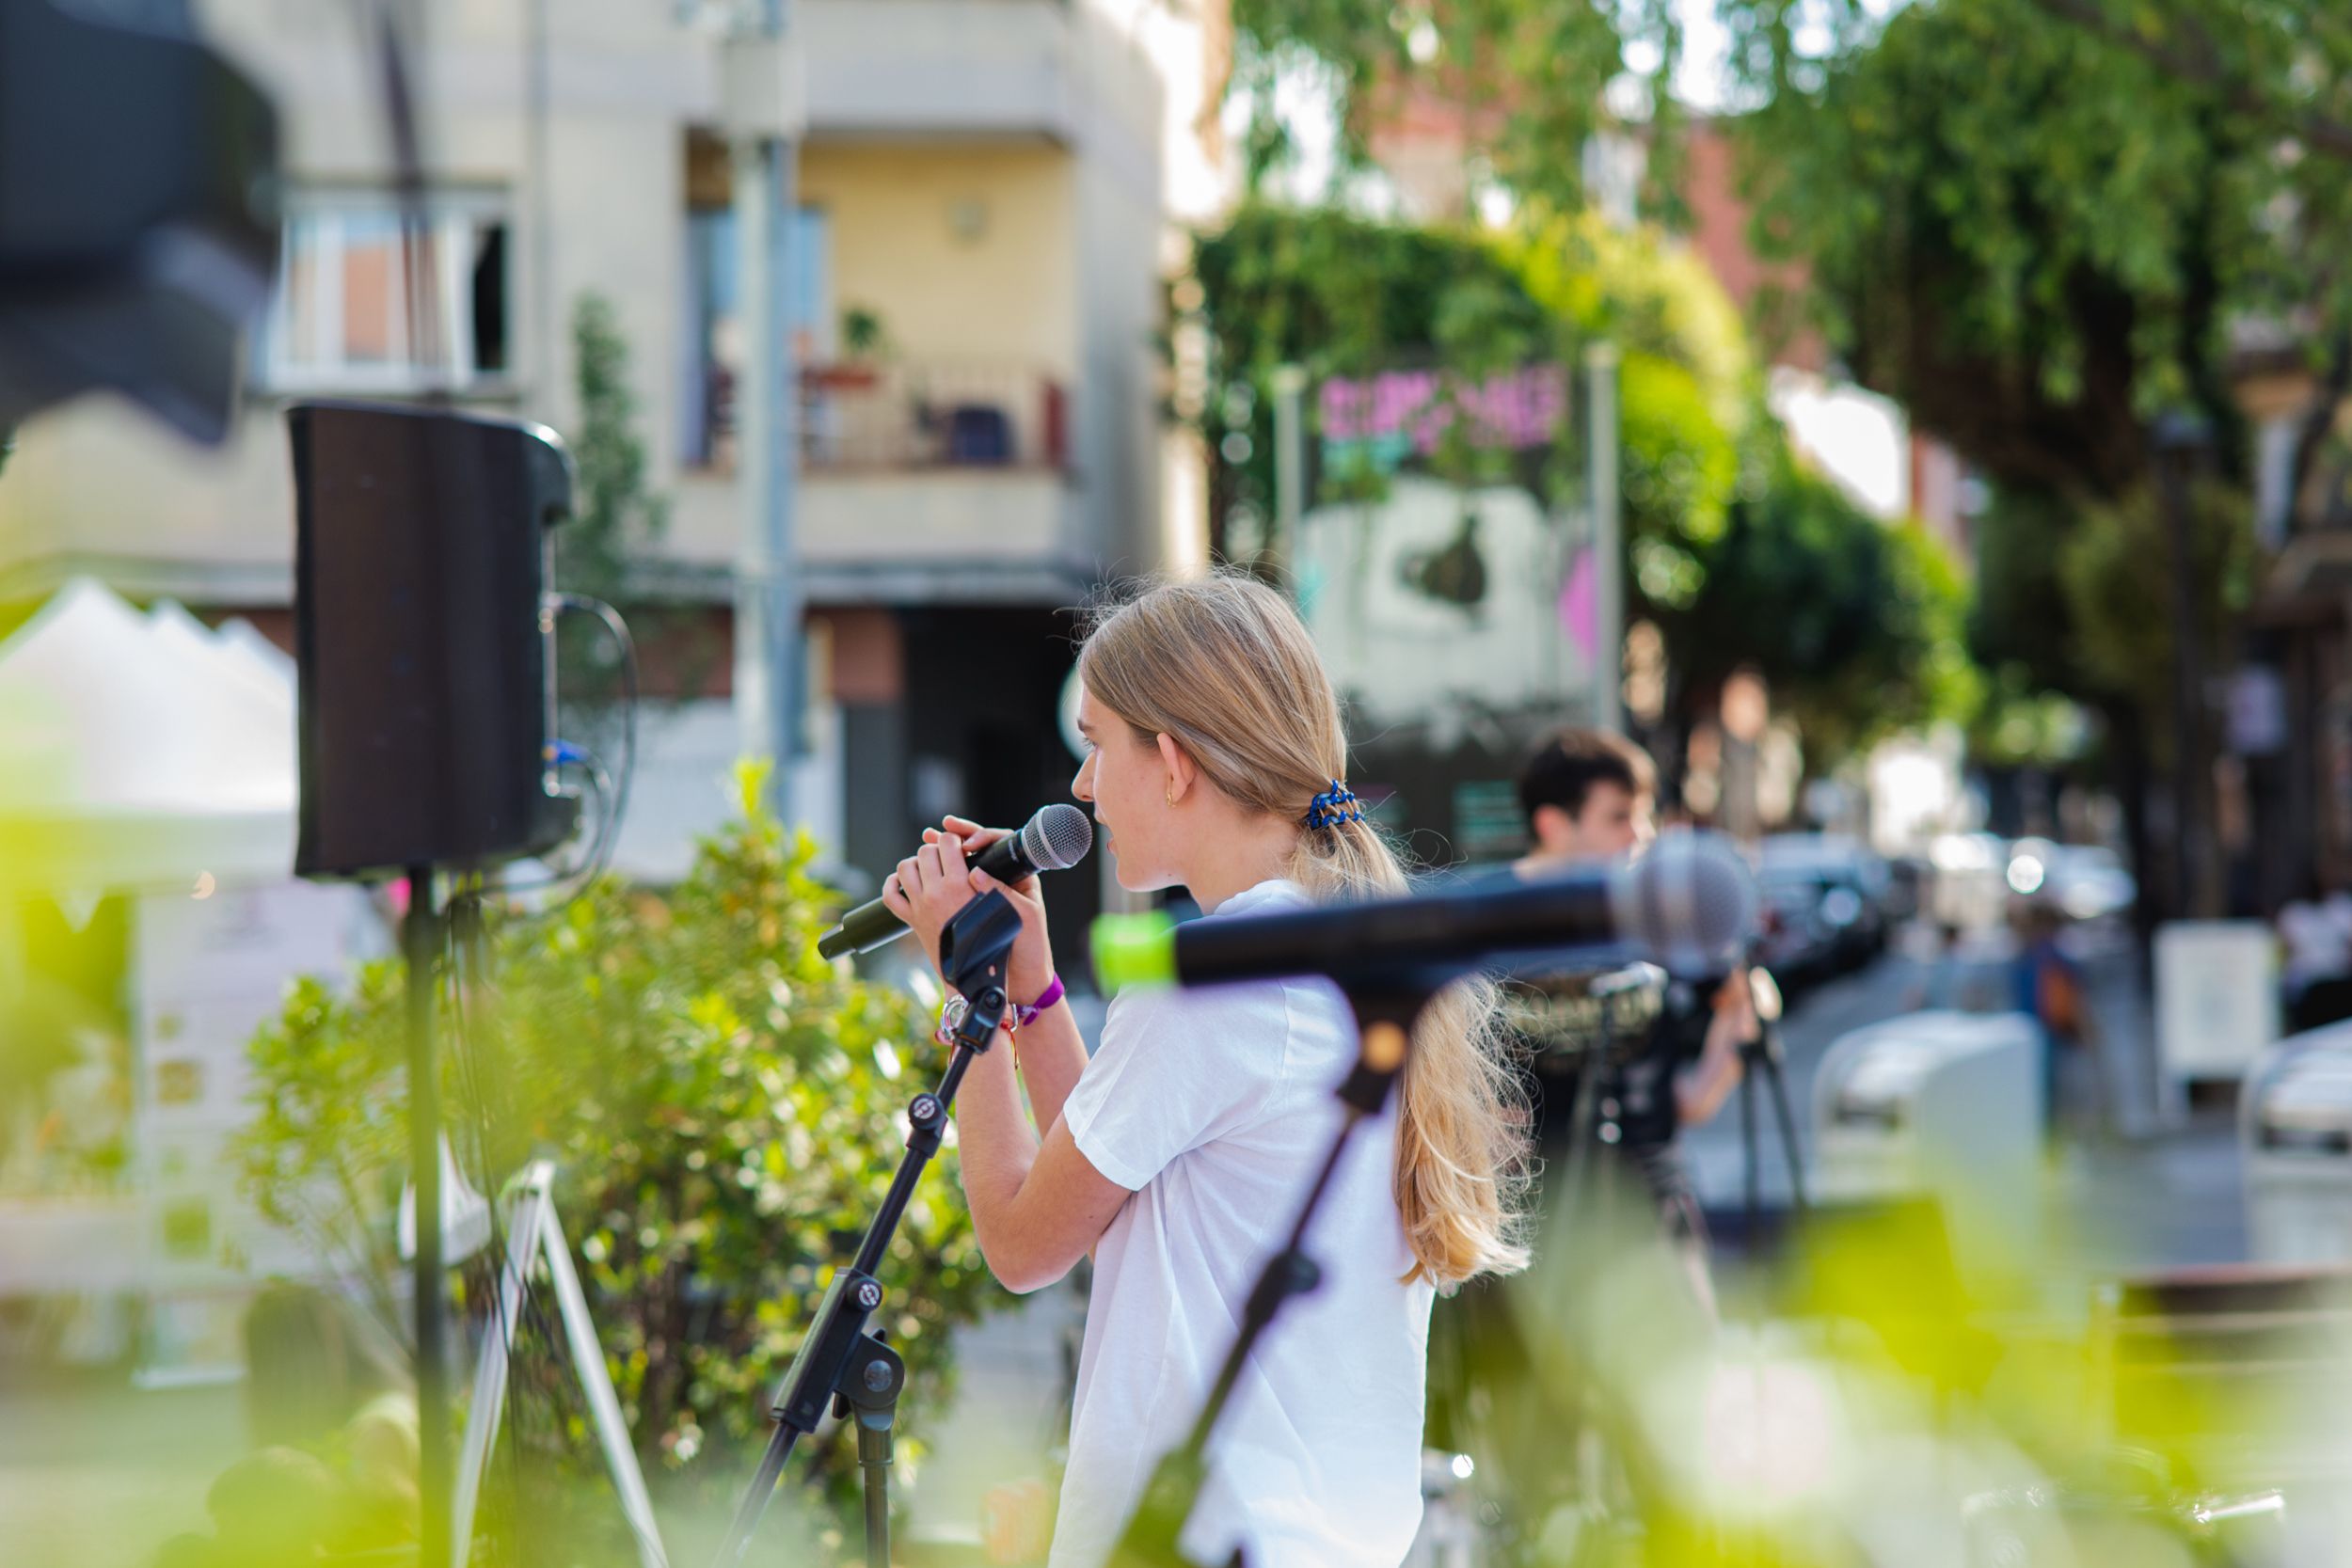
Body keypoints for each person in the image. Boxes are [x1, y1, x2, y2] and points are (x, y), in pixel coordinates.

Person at [880, 574, 1530, 1568]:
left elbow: (1022, 1241)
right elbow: (1119, 1209)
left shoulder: (1213, 983)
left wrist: (968, 994)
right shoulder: (1340, 949)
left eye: (1097, 744)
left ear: (1172, 760)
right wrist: (1034, 991)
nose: (1084, 786)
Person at [1511, 728, 1752, 1287]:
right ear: (1553, 824)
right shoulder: (1498, 921)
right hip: (1530, 1212)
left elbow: (1743, 996)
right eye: (1619, 818)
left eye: (1642, 816)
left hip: (1650, 1199)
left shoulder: (1658, 911)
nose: (1639, 835)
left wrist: (1699, 1093)